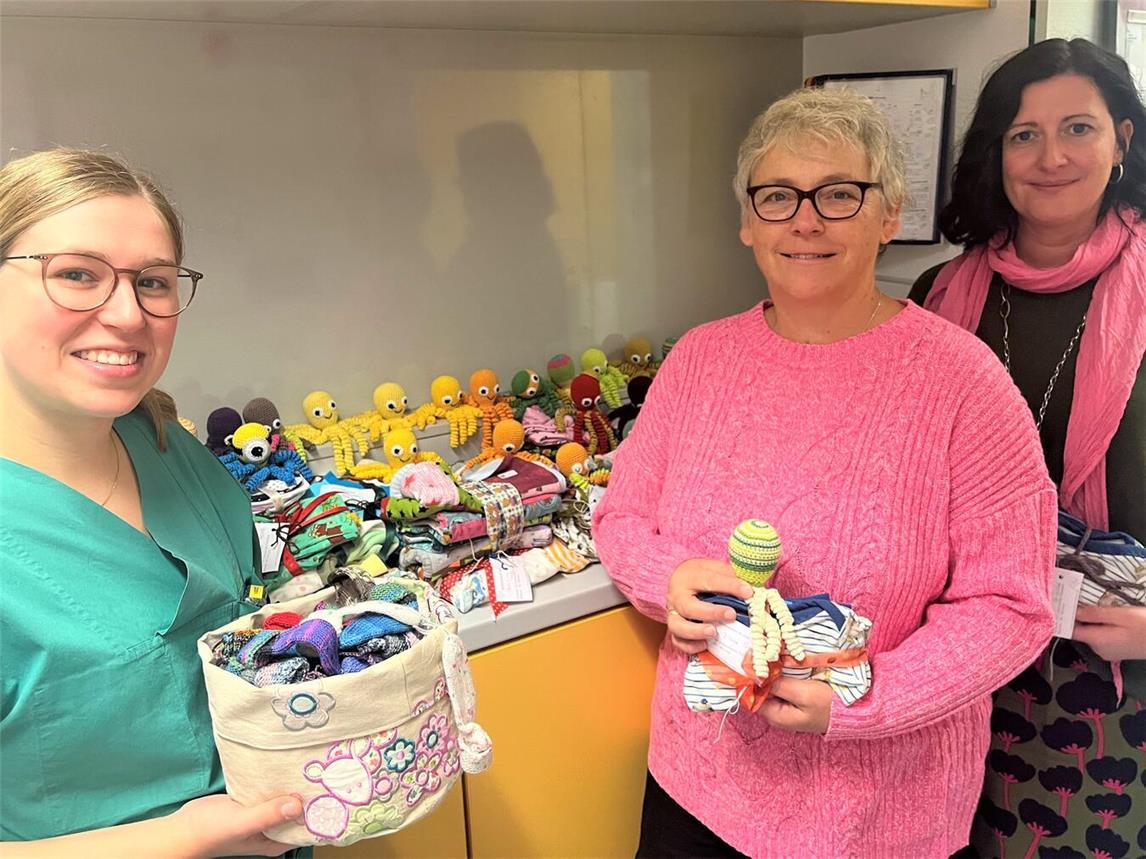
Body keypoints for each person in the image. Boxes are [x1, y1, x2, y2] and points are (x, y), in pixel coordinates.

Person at [592, 86, 1057, 857]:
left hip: (878, 819)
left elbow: (1011, 604)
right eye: (777, 196)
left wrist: (863, 696)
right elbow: (621, 517)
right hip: (696, 790)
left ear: (888, 214)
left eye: (839, 193)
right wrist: (668, 579)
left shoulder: (964, 384)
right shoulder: (699, 360)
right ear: (747, 221)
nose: (805, 220)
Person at [0, 149, 303, 857]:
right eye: (76, 274)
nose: (128, 314)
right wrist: (177, 840)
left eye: (153, 282)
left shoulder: (169, 447)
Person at [909, 38, 1146, 857]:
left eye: (1078, 128)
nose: (1051, 157)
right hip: (959, 663)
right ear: (995, 155)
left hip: (1119, 672)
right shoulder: (937, 296)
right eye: (1023, 135)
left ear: (1121, 139)